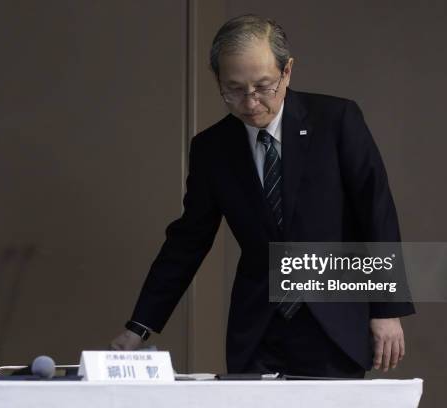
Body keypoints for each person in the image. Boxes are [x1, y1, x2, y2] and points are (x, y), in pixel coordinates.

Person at [110, 14, 414, 378]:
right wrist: (140, 326)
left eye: (263, 86)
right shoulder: (212, 148)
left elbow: (376, 214)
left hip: (334, 322)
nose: (250, 102)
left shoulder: (336, 121)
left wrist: (386, 310)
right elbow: (187, 241)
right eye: (234, 89)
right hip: (257, 330)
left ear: (287, 72)